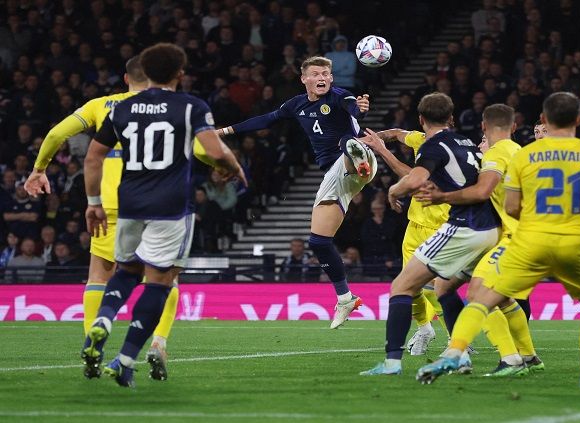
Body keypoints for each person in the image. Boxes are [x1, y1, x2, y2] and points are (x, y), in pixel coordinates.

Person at [24, 55, 223, 380]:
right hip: (156, 199)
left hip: (109, 200)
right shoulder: (172, 107)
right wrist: (220, 162)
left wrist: (39, 169)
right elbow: (199, 149)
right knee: (165, 277)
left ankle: (93, 337)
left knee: (100, 275)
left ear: (127, 79)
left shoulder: (101, 105)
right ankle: (158, 342)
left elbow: (57, 133)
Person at [415, 92, 580, 389]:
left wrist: (443, 196)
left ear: (543, 120)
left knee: (482, 296)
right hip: (576, 241)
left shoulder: (523, 155)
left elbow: (511, 205)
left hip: (526, 239)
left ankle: (462, 352)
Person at [80, 43, 245, 388]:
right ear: (179, 74)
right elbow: (214, 150)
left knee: (125, 270)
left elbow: (93, 157)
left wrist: (94, 202)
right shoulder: (191, 106)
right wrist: (231, 166)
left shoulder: (122, 109)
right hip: (171, 208)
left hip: (129, 204)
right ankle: (125, 359)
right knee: (160, 281)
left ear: (144, 74)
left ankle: (105, 319)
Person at [216, 56, 376, 329]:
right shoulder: (296, 105)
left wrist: (359, 108)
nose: (322, 77)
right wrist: (224, 131)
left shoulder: (341, 96)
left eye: (326, 72)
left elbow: (352, 107)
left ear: (332, 78)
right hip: (336, 178)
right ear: (304, 79)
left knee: (349, 140)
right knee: (318, 243)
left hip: (352, 161)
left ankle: (357, 156)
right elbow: (266, 119)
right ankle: (346, 297)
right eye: (316, 73)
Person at [360, 92, 500, 376]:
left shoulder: (433, 146)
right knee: (449, 290)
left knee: (401, 287)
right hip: (486, 226)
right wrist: (382, 138)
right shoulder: (467, 144)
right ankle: (471, 351)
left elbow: (415, 179)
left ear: (422, 119)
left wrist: (392, 188)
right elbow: (400, 135)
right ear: (451, 118)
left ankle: (392, 364)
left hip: (457, 225)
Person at [415, 104, 542, 376]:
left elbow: (482, 191)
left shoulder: (497, 154)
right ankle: (529, 357)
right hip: (515, 234)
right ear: (515, 126)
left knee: (478, 295)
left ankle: (511, 359)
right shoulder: (520, 151)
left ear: (483, 126)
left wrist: (442, 197)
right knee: (444, 286)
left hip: (512, 236)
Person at [363, 127, 451, 355]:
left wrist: (382, 150)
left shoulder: (449, 149)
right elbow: (397, 133)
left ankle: (457, 339)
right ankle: (424, 328)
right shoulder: (420, 139)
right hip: (415, 227)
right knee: (407, 285)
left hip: (439, 227)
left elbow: (414, 179)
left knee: (435, 289)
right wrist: (374, 138)